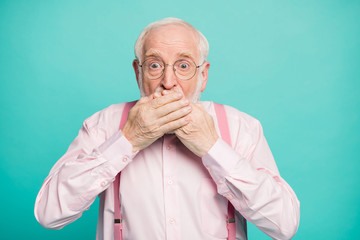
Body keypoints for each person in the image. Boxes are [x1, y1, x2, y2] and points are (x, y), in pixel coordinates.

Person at [35, 17, 300, 240]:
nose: (169, 82)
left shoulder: (242, 127)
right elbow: (49, 214)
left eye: (183, 66)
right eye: (155, 65)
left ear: (203, 75)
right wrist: (128, 139)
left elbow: (283, 225)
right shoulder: (102, 125)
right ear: (138, 73)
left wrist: (213, 148)